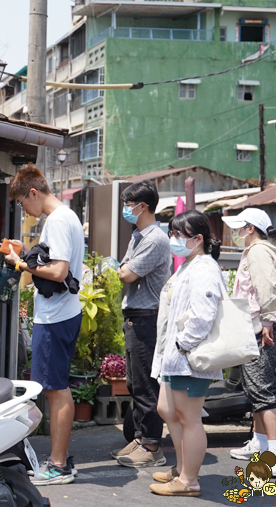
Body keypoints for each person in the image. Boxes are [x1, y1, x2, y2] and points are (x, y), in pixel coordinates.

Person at [3, 164, 84, 486]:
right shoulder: (65, 217)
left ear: (34, 193)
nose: (24, 209)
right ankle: (59, 461)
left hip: (56, 314)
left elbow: (59, 272)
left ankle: (58, 464)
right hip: (59, 313)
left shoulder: (59, 220)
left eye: (23, 202)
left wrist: (21, 263)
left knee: (55, 390)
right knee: (55, 389)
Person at [149, 210, 223, 497]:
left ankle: (189, 481)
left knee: (188, 417)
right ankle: (181, 469)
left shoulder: (204, 267)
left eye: (179, 234)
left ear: (198, 239)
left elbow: (204, 314)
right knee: (167, 410)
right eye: (172, 233)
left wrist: (183, 345)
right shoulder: (188, 265)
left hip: (189, 359)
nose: (173, 239)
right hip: (176, 357)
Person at [224, 208, 276, 475]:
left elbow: (269, 288)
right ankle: (260, 444)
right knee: (254, 391)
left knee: (261, 391)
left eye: (240, 227)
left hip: (261, 330)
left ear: (251, 228)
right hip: (255, 328)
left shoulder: (259, 251)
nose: (237, 232)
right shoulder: (261, 250)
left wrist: (267, 323)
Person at [112, 181, 171, 468]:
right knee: (135, 384)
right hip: (136, 316)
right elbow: (123, 267)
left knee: (147, 385)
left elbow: (127, 274)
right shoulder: (138, 235)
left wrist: (124, 268)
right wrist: (123, 268)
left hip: (147, 318)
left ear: (142, 206)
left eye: (128, 205)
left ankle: (152, 446)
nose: (126, 210)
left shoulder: (155, 239)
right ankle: (139, 439)